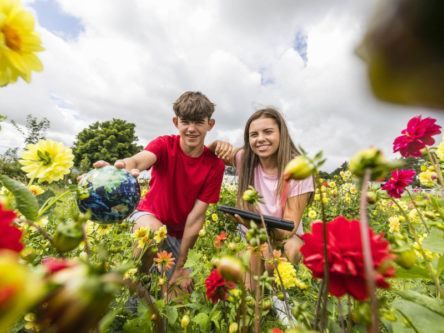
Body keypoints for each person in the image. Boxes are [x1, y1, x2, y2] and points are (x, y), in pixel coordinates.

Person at [94, 91, 226, 289]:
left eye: (198, 122)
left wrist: (181, 265)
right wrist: (123, 165)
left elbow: (196, 218)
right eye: (185, 122)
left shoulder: (215, 165)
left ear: (210, 124)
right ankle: (135, 287)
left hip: (179, 234)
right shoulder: (164, 144)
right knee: (151, 234)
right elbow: (139, 159)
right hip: (149, 217)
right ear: (176, 122)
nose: (191, 129)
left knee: (177, 293)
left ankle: (156, 286)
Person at [211, 107, 314, 280]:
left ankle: (283, 294)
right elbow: (205, 155)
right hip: (250, 234)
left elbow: (288, 228)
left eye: (268, 132)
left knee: (289, 252)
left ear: (282, 134)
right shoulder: (245, 158)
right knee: (241, 272)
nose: (260, 139)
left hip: (285, 237)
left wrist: (261, 228)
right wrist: (215, 144)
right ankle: (262, 297)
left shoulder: (298, 169)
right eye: (254, 135)